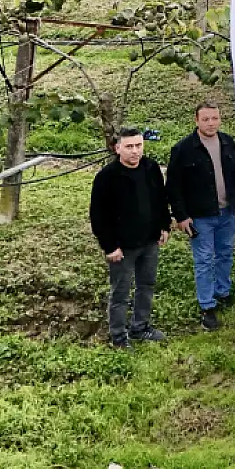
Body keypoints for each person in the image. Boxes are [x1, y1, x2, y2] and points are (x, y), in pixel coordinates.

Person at [166, 101, 235, 332]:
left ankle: (223, 292)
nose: (211, 123)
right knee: (204, 260)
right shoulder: (183, 149)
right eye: (206, 119)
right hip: (200, 215)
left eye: (214, 118)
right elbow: (173, 186)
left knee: (225, 253)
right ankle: (207, 305)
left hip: (227, 212)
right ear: (196, 121)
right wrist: (181, 216)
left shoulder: (228, 142)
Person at [89, 127, 170, 349]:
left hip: (149, 241)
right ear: (118, 149)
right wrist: (109, 246)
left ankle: (140, 327)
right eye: (129, 147)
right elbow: (98, 215)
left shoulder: (151, 167)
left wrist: (164, 226)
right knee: (121, 292)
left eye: (138, 146)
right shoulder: (107, 177)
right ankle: (118, 336)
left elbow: (160, 199)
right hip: (122, 247)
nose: (135, 151)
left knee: (146, 284)